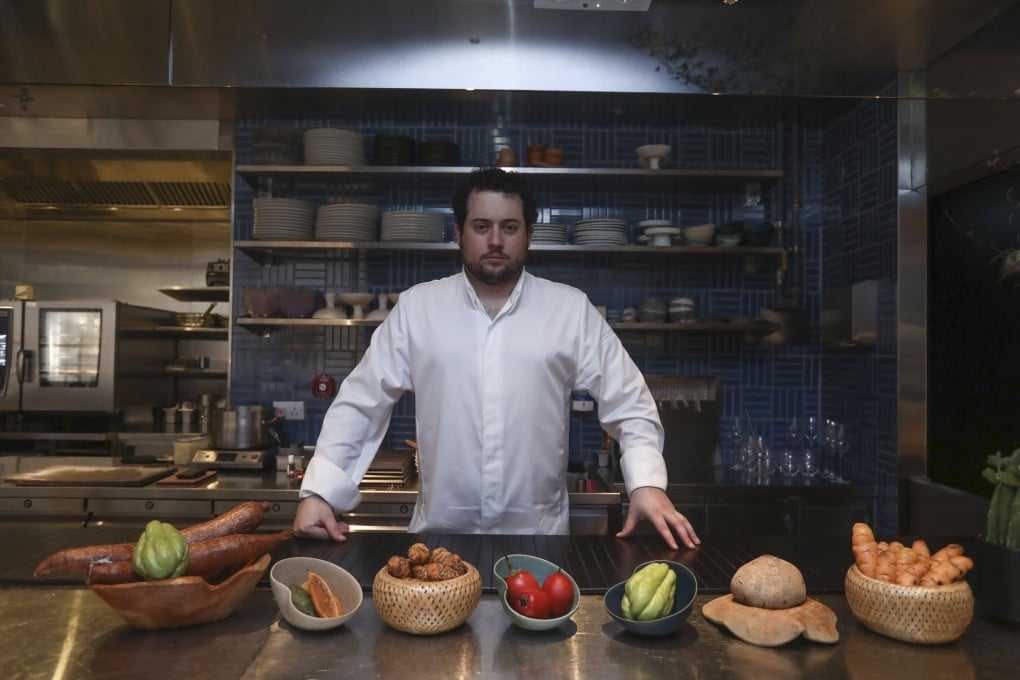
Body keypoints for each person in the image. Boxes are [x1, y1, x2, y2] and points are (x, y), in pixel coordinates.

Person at [294, 167, 701, 550]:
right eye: (481, 226)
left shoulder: (570, 310)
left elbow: (629, 401)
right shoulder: (417, 309)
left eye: (509, 227)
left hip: (539, 544)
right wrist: (321, 492)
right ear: (459, 233)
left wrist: (647, 483)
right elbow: (361, 404)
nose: (495, 240)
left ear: (527, 235)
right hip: (439, 542)